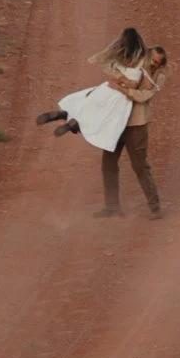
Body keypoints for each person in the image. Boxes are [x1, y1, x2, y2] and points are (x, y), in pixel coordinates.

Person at [36, 32, 167, 218]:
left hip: (136, 126)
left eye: (156, 62)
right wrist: (120, 78)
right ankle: (113, 207)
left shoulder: (157, 78)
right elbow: (115, 68)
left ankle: (155, 208)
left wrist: (121, 86)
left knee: (140, 166)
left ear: (161, 64)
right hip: (115, 123)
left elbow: (142, 96)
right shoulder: (135, 65)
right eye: (150, 59)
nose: (152, 63)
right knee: (109, 164)